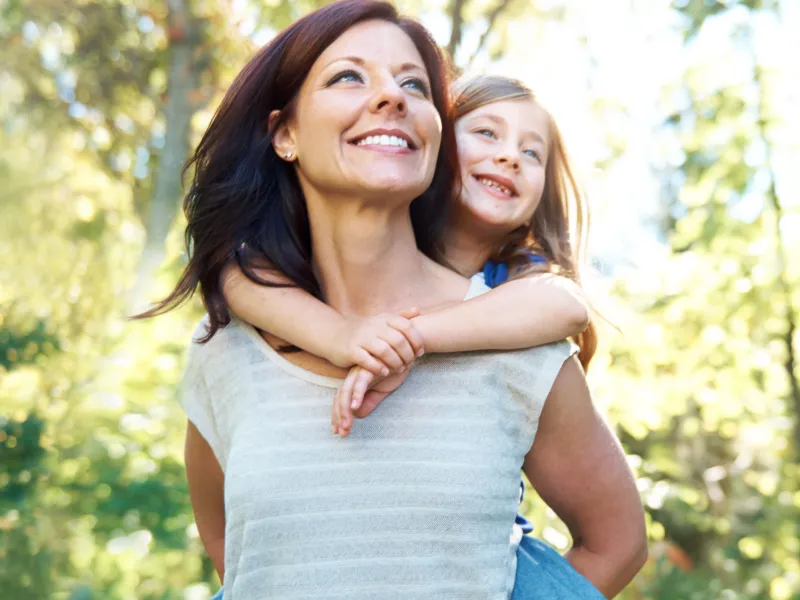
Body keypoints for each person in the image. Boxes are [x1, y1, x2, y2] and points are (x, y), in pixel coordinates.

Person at [141, 1, 647, 597]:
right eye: (348, 76)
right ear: (286, 134)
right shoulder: (225, 350)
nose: (393, 97)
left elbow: (617, 544)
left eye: (414, 84)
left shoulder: (518, 339)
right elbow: (238, 559)